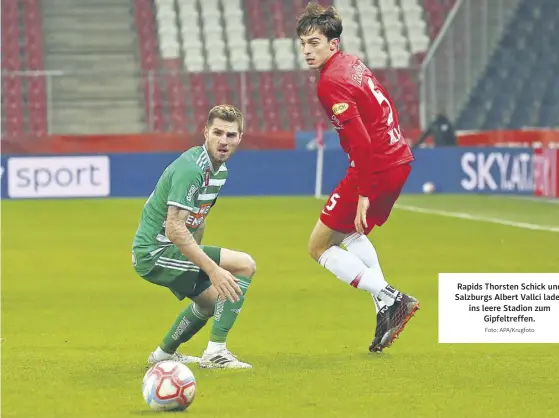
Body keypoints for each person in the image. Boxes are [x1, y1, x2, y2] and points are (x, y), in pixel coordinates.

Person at [297, 3, 420, 353]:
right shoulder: (352, 64)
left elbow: (362, 141)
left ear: (332, 44)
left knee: (318, 246)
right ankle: (385, 308)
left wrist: (365, 190)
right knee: (351, 231)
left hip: (375, 165)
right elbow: (387, 107)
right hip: (397, 159)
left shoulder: (330, 83)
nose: (307, 50)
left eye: (315, 42)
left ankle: (389, 297)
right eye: (304, 43)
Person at [131, 105, 254, 369]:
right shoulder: (192, 169)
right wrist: (212, 270)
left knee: (212, 304)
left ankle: (164, 354)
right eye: (218, 132)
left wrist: (196, 264)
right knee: (244, 264)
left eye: (230, 135)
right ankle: (216, 352)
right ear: (206, 133)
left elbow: (198, 220)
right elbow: (174, 229)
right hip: (155, 252)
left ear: (240, 138)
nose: (223, 140)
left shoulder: (219, 171)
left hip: (169, 250)